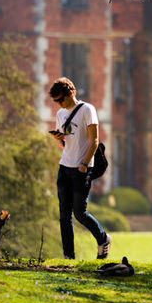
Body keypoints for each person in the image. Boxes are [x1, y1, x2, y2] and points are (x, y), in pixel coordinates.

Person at [48, 77, 111, 260]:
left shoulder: (87, 110)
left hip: (82, 168)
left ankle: (103, 238)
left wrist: (84, 164)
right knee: (64, 215)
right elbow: (67, 142)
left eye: (61, 99)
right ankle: (69, 257)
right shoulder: (60, 114)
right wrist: (59, 139)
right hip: (64, 167)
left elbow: (94, 140)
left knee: (79, 213)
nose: (59, 104)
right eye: (56, 101)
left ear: (72, 93)